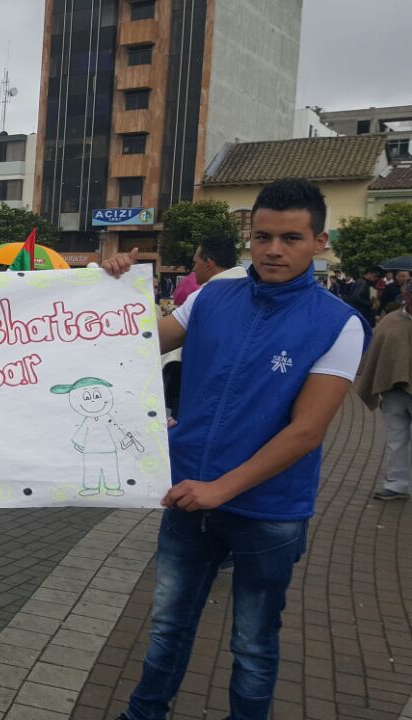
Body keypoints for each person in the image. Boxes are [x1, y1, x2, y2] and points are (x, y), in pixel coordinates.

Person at [103, 179, 368, 720]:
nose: (274, 250)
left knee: (252, 643)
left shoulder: (339, 324)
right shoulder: (211, 296)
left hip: (269, 512)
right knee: (167, 626)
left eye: (291, 238)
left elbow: (306, 431)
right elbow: (137, 342)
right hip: (187, 497)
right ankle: (143, 713)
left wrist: (220, 489)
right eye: (263, 236)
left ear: (319, 242)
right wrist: (110, 292)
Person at [161, 233, 247, 418]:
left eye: (195, 262)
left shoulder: (204, 297)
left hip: (202, 405)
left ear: (209, 263)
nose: (194, 269)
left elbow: (156, 340)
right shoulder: (257, 293)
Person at [355, 279, 412, 501]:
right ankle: (396, 484)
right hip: (393, 391)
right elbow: (377, 353)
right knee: (396, 440)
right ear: (405, 296)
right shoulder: (391, 321)